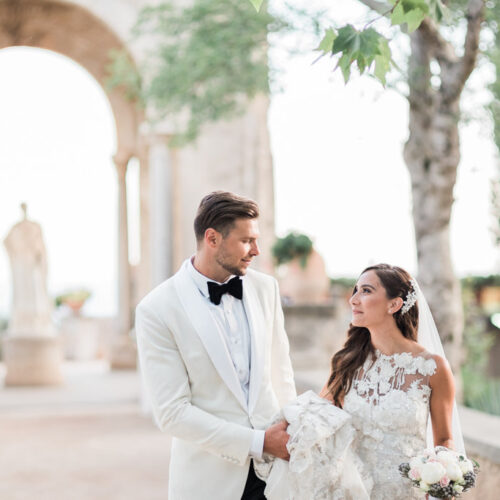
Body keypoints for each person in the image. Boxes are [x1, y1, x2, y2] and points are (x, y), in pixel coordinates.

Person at [135, 191, 296, 500]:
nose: (256, 250)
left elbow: (282, 374)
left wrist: (290, 439)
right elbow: (172, 413)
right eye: (246, 241)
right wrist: (258, 441)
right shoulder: (156, 309)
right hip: (209, 482)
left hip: (277, 476)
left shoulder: (266, 289)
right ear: (212, 239)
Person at [320, 263, 462, 499]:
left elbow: (444, 439)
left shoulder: (432, 367)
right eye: (355, 290)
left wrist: (440, 484)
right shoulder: (347, 363)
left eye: (365, 291)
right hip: (353, 491)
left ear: (394, 304)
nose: (353, 299)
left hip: (406, 492)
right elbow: (318, 419)